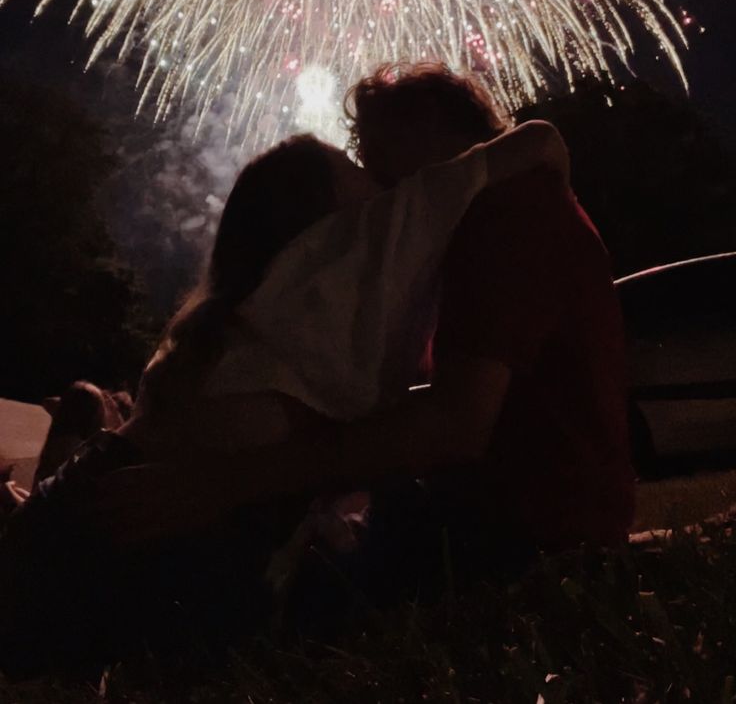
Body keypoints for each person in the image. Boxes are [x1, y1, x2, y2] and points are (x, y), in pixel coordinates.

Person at [0, 123, 566, 675]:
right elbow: (540, 140)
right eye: (355, 171)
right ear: (319, 218)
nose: (379, 183)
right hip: (131, 537)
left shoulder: (243, 315)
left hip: (89, 513)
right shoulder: (345, 251)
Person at [98, 64, 633, 571]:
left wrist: (225, 483)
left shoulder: (505, 214)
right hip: (517, 510)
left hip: (523, 530)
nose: (372, 174)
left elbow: (455, 425)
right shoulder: (468, 226)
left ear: (428, 131)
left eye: (374, 148)